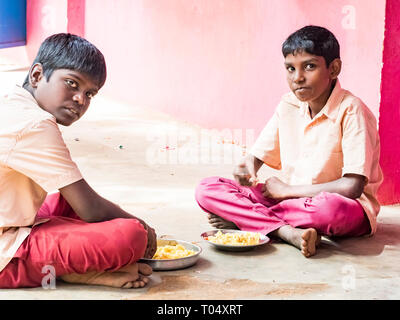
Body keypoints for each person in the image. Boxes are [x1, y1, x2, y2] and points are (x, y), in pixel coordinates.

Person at [195, 25, 383, 258]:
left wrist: (287, 191)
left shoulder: (352, 110)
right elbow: (254, 160)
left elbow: (351, 187)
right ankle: (286, 232)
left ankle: (248, 219)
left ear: (334, 68)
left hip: (341, 207)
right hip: (293, 202)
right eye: (290, 69)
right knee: (208, 188)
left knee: (328, 210)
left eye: (310, 66)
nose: (298, 78)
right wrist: (246, 170)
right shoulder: (289, 104)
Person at [0, 33, 157, 288]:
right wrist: (143, 226)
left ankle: (68, 267)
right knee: (130, 236)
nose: (80, 100)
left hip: (9, 220)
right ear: (37, 75)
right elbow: (91, 209)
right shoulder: (35, 124)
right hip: (4, 256)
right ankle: (68, 271)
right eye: (72, 83)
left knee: (65, 204)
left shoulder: (12, 101)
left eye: (90, 94)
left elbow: (79, 202)